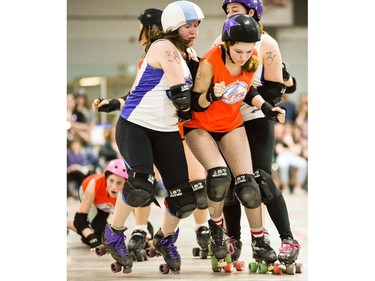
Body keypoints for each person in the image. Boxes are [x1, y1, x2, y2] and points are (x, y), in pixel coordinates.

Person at [92, 5, 210, 259]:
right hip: (136, 126)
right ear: (172, 26)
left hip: (166, 130)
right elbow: (181, 94)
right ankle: (113, 232)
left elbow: (143, 89)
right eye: (187, 26)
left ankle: (164, 239)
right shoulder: (164, 46)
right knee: (140, 185)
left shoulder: (186, 53)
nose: (193, 31)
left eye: (196, 26)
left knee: (185, 199)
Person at [183, 14, 284, 269]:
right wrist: (210, 94)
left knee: (248, 185)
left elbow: (247, 89)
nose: (243, 56)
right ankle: (217, 230)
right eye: (239, 51)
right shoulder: (209, 62)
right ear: (226, 44)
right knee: (219, 178)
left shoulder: (251, 58)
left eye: (249, 51)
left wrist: (267, 108)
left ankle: (259, 241)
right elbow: (195, 105)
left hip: (230, 125)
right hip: (200, 127)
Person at [216, 0, 301, 265]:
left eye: (235, 10)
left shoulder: (267, 43)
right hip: (227, 120)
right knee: (229, 181)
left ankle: (288, 239)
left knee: (260, 179)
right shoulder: (221, 40)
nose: (229, 13)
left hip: (256, 116)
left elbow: (276, 90)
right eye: (227, 11)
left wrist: (245, 94)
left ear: (252, 13)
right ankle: (234, 237)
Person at [67, 159, 128, 249]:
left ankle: (87, 237)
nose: (114, 187)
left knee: (103, 235)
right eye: (111, 181)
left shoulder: (129, 191)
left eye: (119, 183)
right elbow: (80, 219)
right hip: (89, 193)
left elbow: (141, 218)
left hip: (104, 199)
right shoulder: (94, 184)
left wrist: (146, 235)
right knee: (100, 235)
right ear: (105, 178)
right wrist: (93, 240)